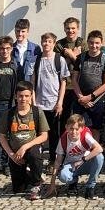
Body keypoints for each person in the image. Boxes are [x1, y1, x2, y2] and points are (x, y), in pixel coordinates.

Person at [0, 81, 49, 200]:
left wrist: (25, 147)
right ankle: (31, 173)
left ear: (31, 96)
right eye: (20, 96)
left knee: (34, 155)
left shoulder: (37, 112)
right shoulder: (9, 114)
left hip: (32, 149)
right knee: (18, 189)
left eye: (26, 96)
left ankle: (36, 185)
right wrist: (11, 155)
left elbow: (44, 136)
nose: (23, 99)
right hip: (15, 153)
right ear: (16, 96)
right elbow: (1, 136)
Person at [31, 33, 68, 167]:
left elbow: (63, 82)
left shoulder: (60, 60)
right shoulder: (36, 60)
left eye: (49, 41)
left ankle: (53, 160)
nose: (46, 44)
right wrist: (33, 103)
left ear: (54, 43)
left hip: (53, 104)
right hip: (39, 104)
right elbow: (32, 83)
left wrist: (60, 102)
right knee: (38, 133)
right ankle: (37, 160)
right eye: (44, 41)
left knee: (54, 134)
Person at [49, 114, 104, 199]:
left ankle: (90, 187)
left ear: (81, 128)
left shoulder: (85, 135)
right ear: (66, 127)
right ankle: (73, 182)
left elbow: (99, 149)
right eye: (71, 128)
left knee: (99, 157)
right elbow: (58, 161)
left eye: (76, 129)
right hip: (71, 165)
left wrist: (82, 160)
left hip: (85, 163)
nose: (73, 132)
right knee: (63, 176)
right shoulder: (63, 139)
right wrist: (52, 184)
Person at [72, 31, 105, 141]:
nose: (94, 45)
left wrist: (90, 97)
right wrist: (81, 98)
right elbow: (74, 79)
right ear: (87, 42)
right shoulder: (81, 57)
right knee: (78, 127)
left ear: (101, 43)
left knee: (95, 128)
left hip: (97, 100)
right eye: (91, 42)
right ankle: (79, 149)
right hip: (80, 99)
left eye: (97, 43)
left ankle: (94, 150)